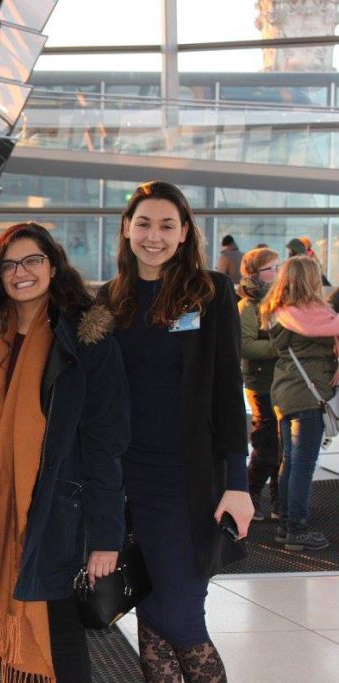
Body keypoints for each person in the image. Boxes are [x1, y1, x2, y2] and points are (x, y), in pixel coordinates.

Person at [0, 223, 128, 683]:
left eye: (32, 260)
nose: (21, 272)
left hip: (57, 517)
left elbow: (105, 444)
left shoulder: (85, 340)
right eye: (9, 265)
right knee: (4, 642)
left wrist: (105, 536)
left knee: (58, 643)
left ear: (53, 266)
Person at [100, 180, 253, 682]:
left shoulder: (210, 292)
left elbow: (229, 390)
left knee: (182, 618)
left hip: (187, 481)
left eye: (167, 225)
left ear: (185, 233)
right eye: (143, 223)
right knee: (149, 616)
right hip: (125, 482)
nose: (154, 236)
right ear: (126, 229)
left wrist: (238, 481)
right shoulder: (108, 301)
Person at [260, 256, 336, 551]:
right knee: (303, 465)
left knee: (291, 462)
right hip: (309, 392)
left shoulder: (279, 312)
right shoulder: (310, 316)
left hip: (287, 390)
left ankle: (286, 526)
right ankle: (297, 530)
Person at [238, 248, 281, 522]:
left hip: (282, 383)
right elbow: (244, 345)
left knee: (282, 445)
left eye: (278, 267)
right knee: (266, 442)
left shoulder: (279, 301)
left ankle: (280, 501)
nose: (276, 273)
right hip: (261, 383)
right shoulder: (247, 307)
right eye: (270, 268)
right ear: (255, 273)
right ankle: (251, 493)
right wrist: (280, 346)